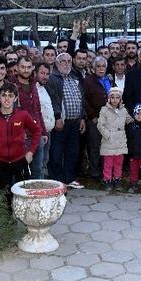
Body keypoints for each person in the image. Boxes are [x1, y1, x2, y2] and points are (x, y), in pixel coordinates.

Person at [0, 83, 41, 201]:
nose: (7, 99)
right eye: (4, 95)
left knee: (23, 195)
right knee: (4, 197)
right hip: (1, 162)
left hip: (19, 161)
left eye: (10, 96)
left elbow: (37, 131)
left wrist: (31, 151)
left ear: (15, 98)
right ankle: (6, 218)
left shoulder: (22, 115)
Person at [46, 52, 86, 189]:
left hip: (75, 122)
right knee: (56, 152)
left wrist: (82, 118)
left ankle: (69, 179)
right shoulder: (53, 78)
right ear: (57, 64)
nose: (67, 63)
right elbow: (53, 99)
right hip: (61, 122)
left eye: (69, 61)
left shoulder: (75, 78)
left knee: (72, 152)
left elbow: (81, 99)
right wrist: (57, 117)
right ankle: (57, 180)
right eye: (63, 61)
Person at [11, 57, 46, 179]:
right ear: (17, 68)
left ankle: (37, 196)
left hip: (37, 134)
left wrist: (44, 131)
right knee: (22, 171)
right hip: (22, 137)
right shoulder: (12, 86)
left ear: (32, 68)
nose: (26, 70)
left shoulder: (34, 84)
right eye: (23, 67)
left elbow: (38, 110)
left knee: (38, 169)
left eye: (28, 67)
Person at [83, 56, 112, 181]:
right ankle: (94, 172)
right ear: (93, 68)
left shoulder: (109, 80)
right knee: (94, 146)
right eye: (98, 66)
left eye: (103, 66)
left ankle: (105, 171)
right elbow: (85, 100)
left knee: (107, 146)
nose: (101, 69)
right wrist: (92, 116)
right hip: (95, 119)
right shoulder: (88, 81)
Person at [98, 87, 130, 191]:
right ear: (109, 98)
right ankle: (107, 179)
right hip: (109, 141)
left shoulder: (123, 110)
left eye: (117, 98)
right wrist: (107, 135)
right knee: (108, 163)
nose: (115, 100)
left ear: (121, 99)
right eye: (113, 97)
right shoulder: (104, 110)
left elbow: (129, 120)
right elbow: (100, 125)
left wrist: (139, 118)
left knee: (118, 162)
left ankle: (117, 179)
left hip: (120, 141)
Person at [35, 63, 56, 178]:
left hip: (47, 131)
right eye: (42, 73)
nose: (45, 76)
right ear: (35, 73)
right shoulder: (33, 89)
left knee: (44, 161)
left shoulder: (44, 88)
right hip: (38, 132)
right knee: (39, 164)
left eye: (47, 74)